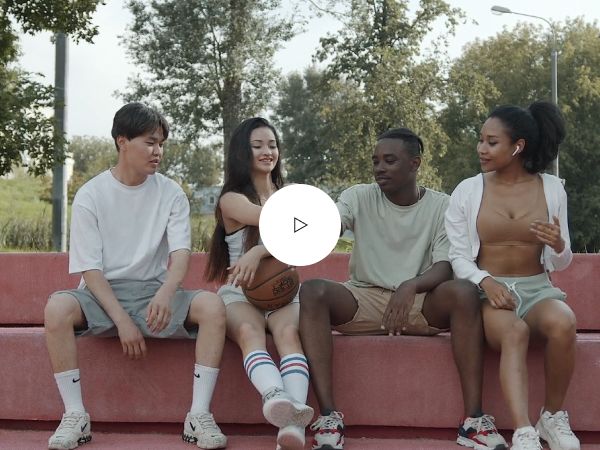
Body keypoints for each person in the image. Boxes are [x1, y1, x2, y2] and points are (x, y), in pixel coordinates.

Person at [300, 128, 507, 450]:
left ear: (414, 163)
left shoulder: (442, 205)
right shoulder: (358, 196)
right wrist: (314, 226)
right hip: (364, 298)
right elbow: (334, 221)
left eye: (389, 160)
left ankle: (474, 421)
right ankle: (329, 418)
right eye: (376, 161)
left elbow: (445, 265)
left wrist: (411, 285)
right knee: (312, 290)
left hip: (419, 301)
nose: (379, 168)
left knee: (465, 291)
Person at [44, 103, 227, 450]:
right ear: (122, 141)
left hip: (153, 294)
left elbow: (181, 254)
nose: (158, 151)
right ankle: (75, 416)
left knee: (213, 307)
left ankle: (199, 416)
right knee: (57, 308)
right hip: (101, 296)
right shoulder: (91, 194)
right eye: (150, 142)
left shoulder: (171, 192)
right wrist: (122, 321)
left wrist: (166, 292)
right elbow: (90, 270)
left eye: (161, 144)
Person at [445, 101, 580, 450]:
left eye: (492, 142)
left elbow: (561, 260)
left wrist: (558, 244)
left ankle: (551, 417)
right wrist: (485, 282)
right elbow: (458, 256)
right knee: (514, 331)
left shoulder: (552, 188)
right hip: (490, 292)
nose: (481, 148)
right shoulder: (468, 190)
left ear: (517, 146)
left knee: (564, 321)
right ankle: (523, 431)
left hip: (537, 289)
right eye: (481, 140)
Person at [205, 117, 313, 450]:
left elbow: (308, 231)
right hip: (240, 291)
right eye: (257, 146)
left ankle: (292, 428)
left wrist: (259, 252)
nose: (268, 152)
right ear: (242, 152)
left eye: (272, 145)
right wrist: (257, 251)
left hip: (282, 289)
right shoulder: (232, 199)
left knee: (289, 334)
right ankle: (277, 399)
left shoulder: (286, 195)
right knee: (249, 332)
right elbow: (279, 220)